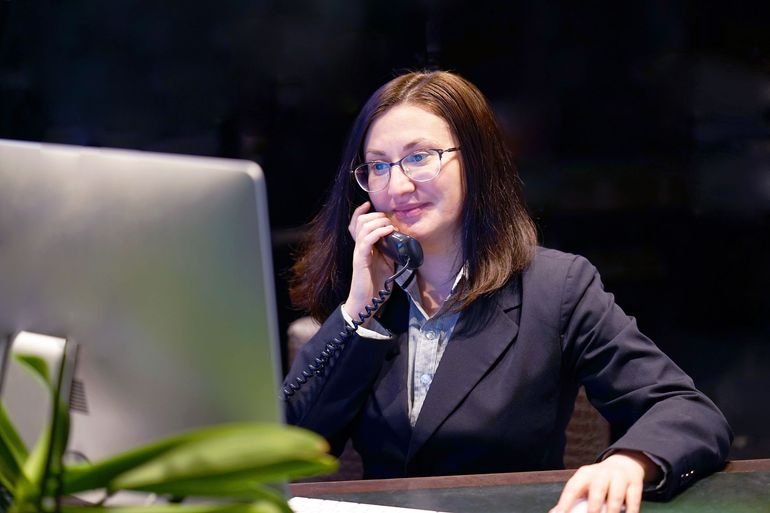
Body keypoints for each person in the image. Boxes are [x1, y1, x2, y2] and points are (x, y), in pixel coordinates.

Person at [283, 70, 731, 513]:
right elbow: (289, 446)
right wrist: (359, 310)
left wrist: (630, 463)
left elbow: (685, 410)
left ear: (476, 160)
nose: (396, 186)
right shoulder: (370, 289)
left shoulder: (556, 287)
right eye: (378, 166)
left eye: (419, 158)